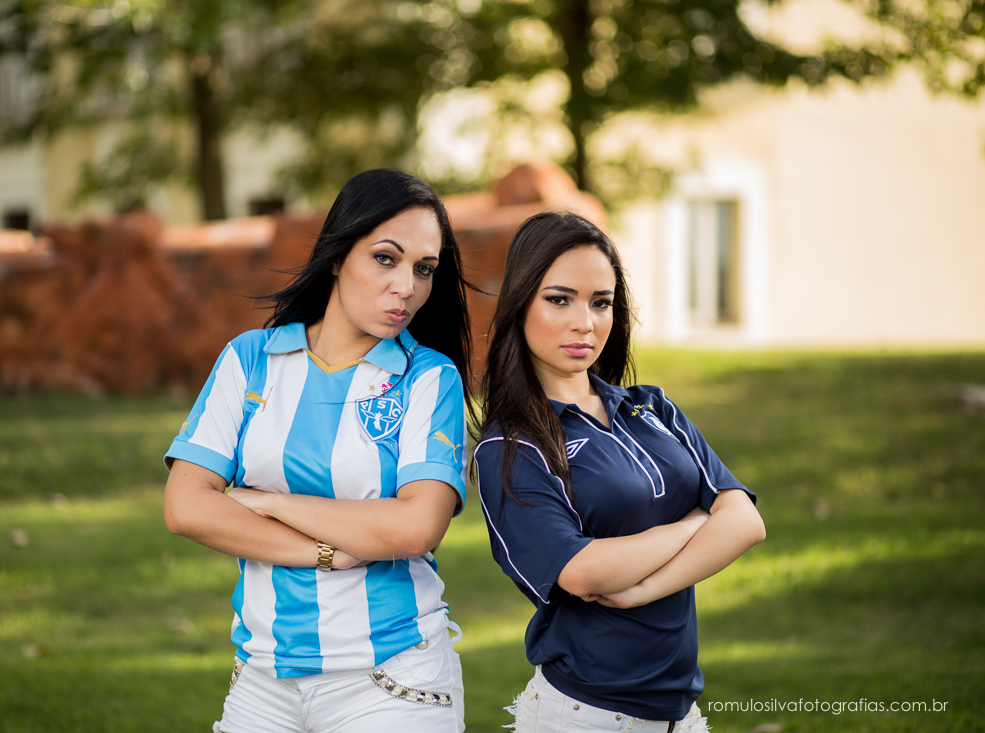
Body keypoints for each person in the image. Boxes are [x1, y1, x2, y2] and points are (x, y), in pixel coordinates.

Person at [163, 169, 475, 733]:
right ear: (336, 256)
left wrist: (263, 502)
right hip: (262, 680)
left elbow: (415, 528)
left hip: (391, 680)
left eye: (424, 269)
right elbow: (186, 507)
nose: (407, 285)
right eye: (386, 258)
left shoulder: (429, 378)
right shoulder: (250, 358)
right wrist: (330, 552)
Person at [473, 211, 766, 733]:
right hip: (583, 716)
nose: (584, 322)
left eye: (601, 302)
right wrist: (697, 522)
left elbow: (745, 522)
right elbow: (583, 571)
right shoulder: (511, 446)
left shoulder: (651, 408)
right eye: (559, 299)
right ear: (521, 303)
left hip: (681, 715)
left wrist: (641, 590)